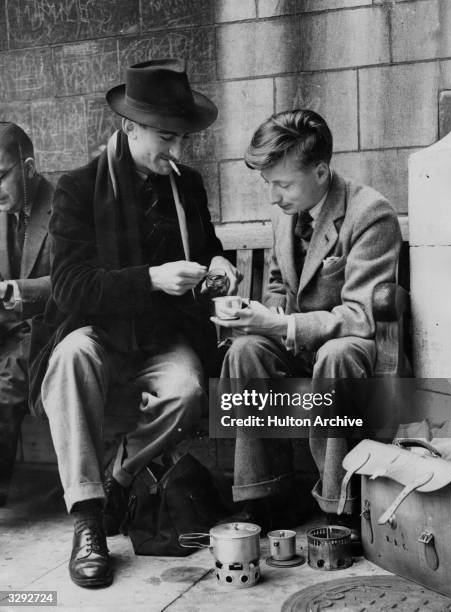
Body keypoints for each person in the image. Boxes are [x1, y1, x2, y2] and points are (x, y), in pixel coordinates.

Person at [28, 59, 239, 589]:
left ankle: (114, 486)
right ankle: (87, 522)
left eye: (183, 139)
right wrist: (151, 278)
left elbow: (208, 247)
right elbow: (72, 287)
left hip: (163, 339)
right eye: (167, 138)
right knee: (71, 358)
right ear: (129, 128)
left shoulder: (186, 185)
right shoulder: (77, 188)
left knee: (189, 389)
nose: (178, 151)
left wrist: (218, 267)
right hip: (95, 333)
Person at [213, 109, 401, 537]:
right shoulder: (285, 213)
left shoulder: (371, 213)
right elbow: (279, 286)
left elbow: (360, 318)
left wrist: (281, 327)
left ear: (321, 171)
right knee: (244, 350)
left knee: (336, 356)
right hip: (299, 344)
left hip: (350, 350)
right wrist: (254, 314)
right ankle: (267, 497)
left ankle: (342, 508)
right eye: (268, 184)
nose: (273, 197)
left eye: (282, 184)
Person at [0, 122, 53, 506]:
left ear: (29, 168)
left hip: (47, 327)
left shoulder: (66, 202)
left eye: (1, 176)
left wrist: (16, 291)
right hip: (5, 330)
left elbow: (74, 279)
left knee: (6, 380)